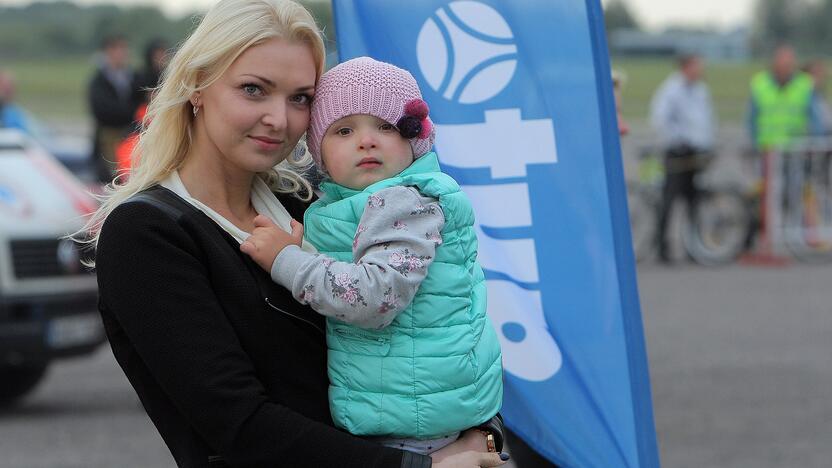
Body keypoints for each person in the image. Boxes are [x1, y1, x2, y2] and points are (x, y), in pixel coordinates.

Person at [86, 1, 507, 467]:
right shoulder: (147, 234)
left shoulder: (313, 203)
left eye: (300, 98)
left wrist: (483, 435)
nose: (279, 119)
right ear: (197, 87)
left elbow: (442, 321)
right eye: (253, 90)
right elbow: (240, 425)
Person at [240, 57, 504, 458]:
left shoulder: (403, 202)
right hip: (408, 406)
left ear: (415, 140)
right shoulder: (349, 204)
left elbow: (375, 296)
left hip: (417, 421)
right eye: (344, 130)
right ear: (320, 152)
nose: (367, 140)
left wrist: (287, 260)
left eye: (386, 127)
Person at [649, 53, 715, 264]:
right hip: (678, 151)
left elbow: (706, 119)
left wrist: (708, 143)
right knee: (670, 199)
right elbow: (660, 119)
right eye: (696, 66)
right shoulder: (671, 90)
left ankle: (693, 246)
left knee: (694, 201)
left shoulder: (701, 90)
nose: (700, 71)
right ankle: (662, 246)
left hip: (697, 151)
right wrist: (677, 139)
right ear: (685, 67)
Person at [87, 34, 138, 183]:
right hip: (107, 140)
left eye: (123, 48)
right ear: (107, 52)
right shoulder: (99, 81)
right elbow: (102, 111)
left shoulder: (133, 78)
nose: (122, 53)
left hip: (130, 139)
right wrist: (131, 111)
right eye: (117, 48)